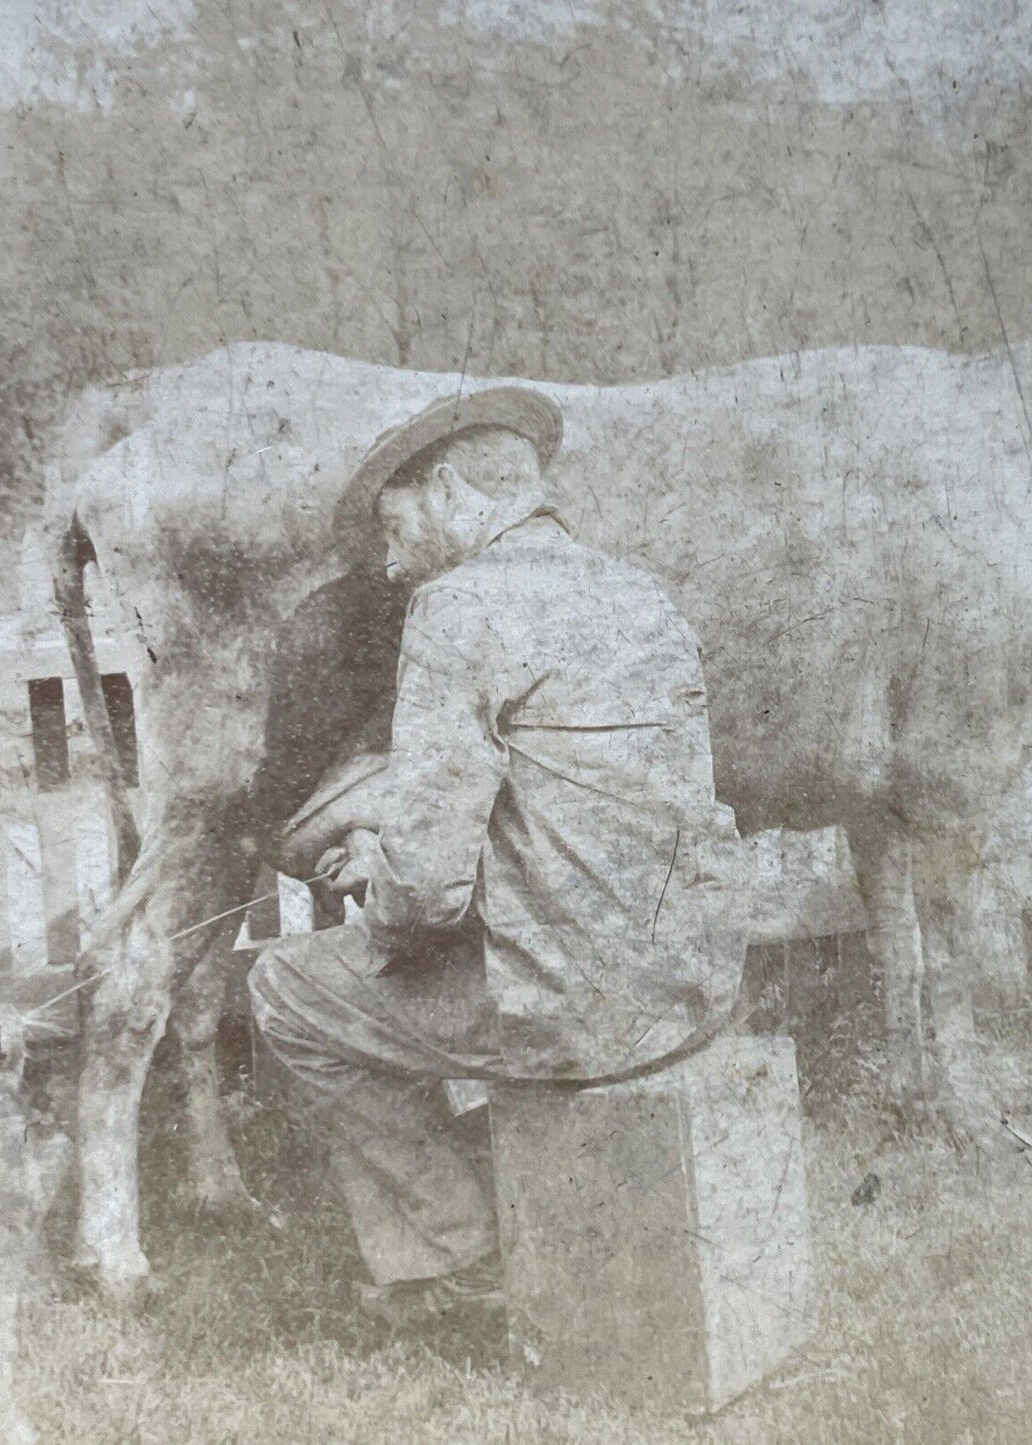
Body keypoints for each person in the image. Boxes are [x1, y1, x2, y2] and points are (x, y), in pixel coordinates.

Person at [248, 387, 750, 1329]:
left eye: (392, 527)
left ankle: (455, 1257)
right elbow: (597, 811)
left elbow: (425, 897)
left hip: (579, 1015)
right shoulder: (636, 590)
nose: (388, 564)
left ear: (444, 491)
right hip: (696, 985)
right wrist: (413, 860)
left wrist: (380, 872)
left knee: (290, 988)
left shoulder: (457, 605)